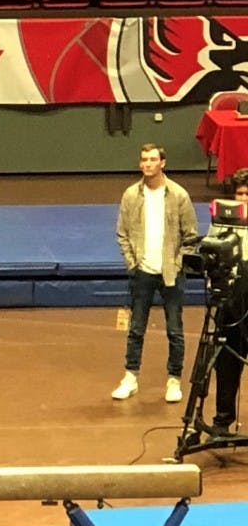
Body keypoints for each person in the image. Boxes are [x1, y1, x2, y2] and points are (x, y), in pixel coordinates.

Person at [112, 142, 199, 402]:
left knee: (175, 330)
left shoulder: (179, 195)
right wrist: (133, 263)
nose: (147, 164)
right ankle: (130, 376)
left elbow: (191, 235)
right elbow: (122, 233)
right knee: (136, 329)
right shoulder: (130, 195)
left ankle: (173, 380)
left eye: (152, 159)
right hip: (143, 273)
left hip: (171, 273)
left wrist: (178, 262)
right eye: (143, 160)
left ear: (163, 163)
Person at [211, 167, 248, 434]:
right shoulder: (222, 222)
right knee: (226, 364)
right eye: (239, 194)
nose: (243, 198)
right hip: (232, 303)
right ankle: (222, 420)